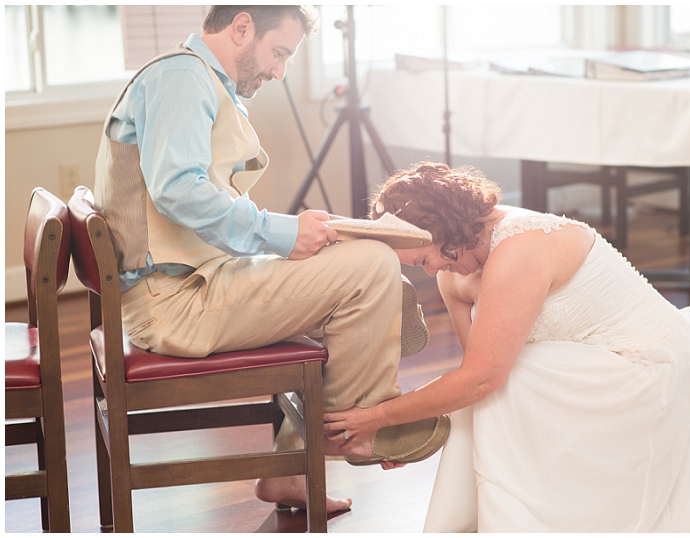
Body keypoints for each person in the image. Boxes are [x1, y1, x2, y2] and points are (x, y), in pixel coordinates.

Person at [92, 6, 446, 514]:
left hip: (188, 285)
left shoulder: (193, 78)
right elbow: (179, 191)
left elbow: (190, 201)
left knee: (353, 258)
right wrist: (281, 233)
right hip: (173, 304)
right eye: (278, 53)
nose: (280, 72)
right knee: (370, 271)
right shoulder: (181, 79)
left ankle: (295, 468)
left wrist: (301, 234)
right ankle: (355, 425)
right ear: (241, 28)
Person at [324, 161, 690, 532]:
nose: (427, 270)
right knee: (506, 381)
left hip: (652, 369)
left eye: (423, 258)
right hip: (593, 368)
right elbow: (474, 379)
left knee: (513, 378)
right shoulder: (452, 272)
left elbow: (483, 379)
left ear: (443, 232)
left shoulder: (519, 250)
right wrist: (411, 435)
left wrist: (381, 416)